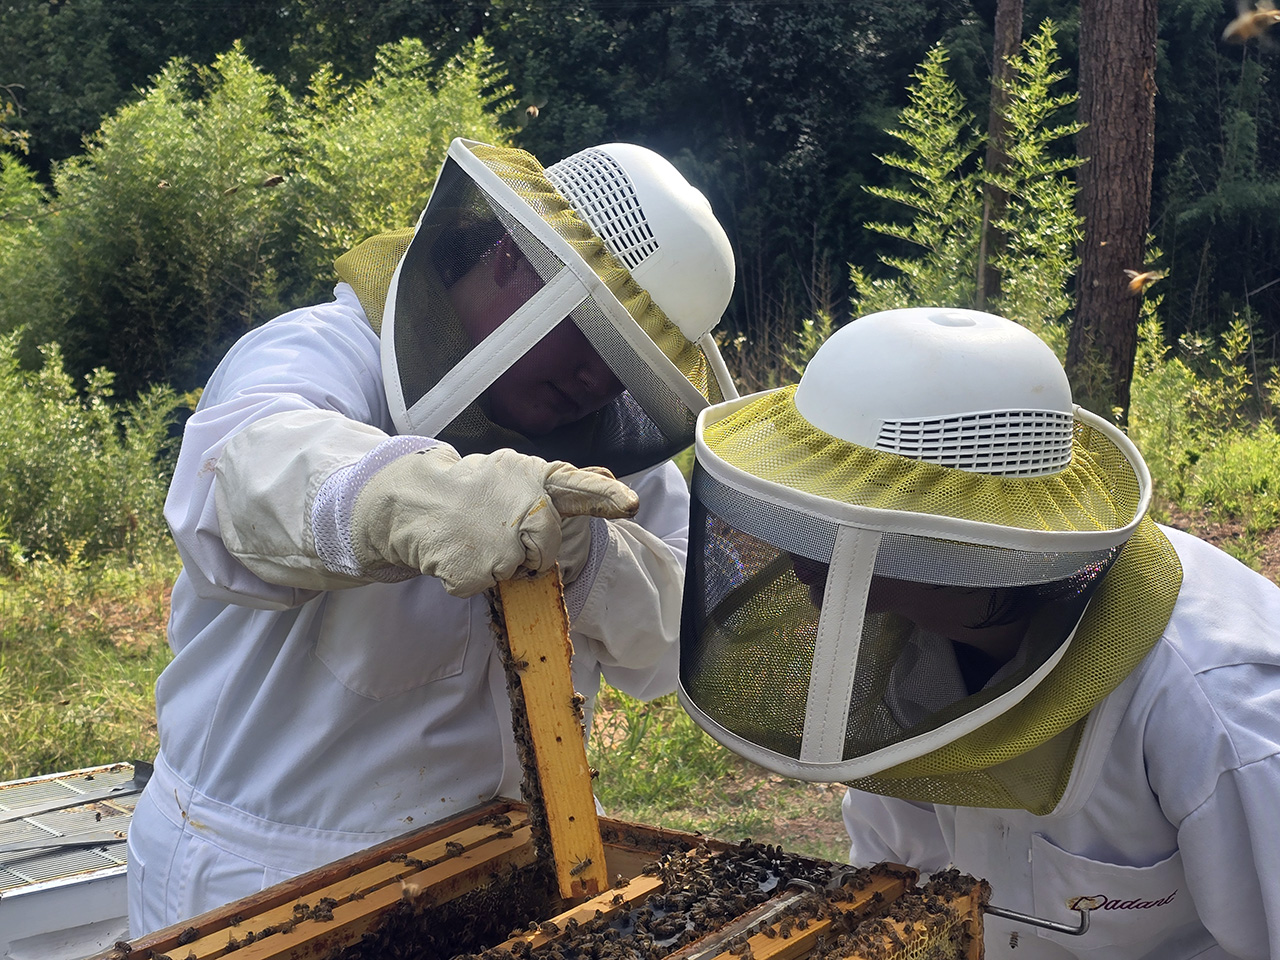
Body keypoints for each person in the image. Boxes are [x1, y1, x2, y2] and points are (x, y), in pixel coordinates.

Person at [126, 138, 738, 933]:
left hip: (513, 859)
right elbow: (243, 487)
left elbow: (675, 647)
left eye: (633, 364)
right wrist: (412, 499)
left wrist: (586, 559)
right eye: (594, 333)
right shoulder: (323, 351)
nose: (601, 381)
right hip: (263, 873)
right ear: (516, 260)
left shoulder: (604, 442)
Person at [676, 307, 1280, 959]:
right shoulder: (898, 637)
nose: (795, 556)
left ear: (952, 546)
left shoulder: (1217, 709)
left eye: (830, 525)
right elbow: (901, 872)